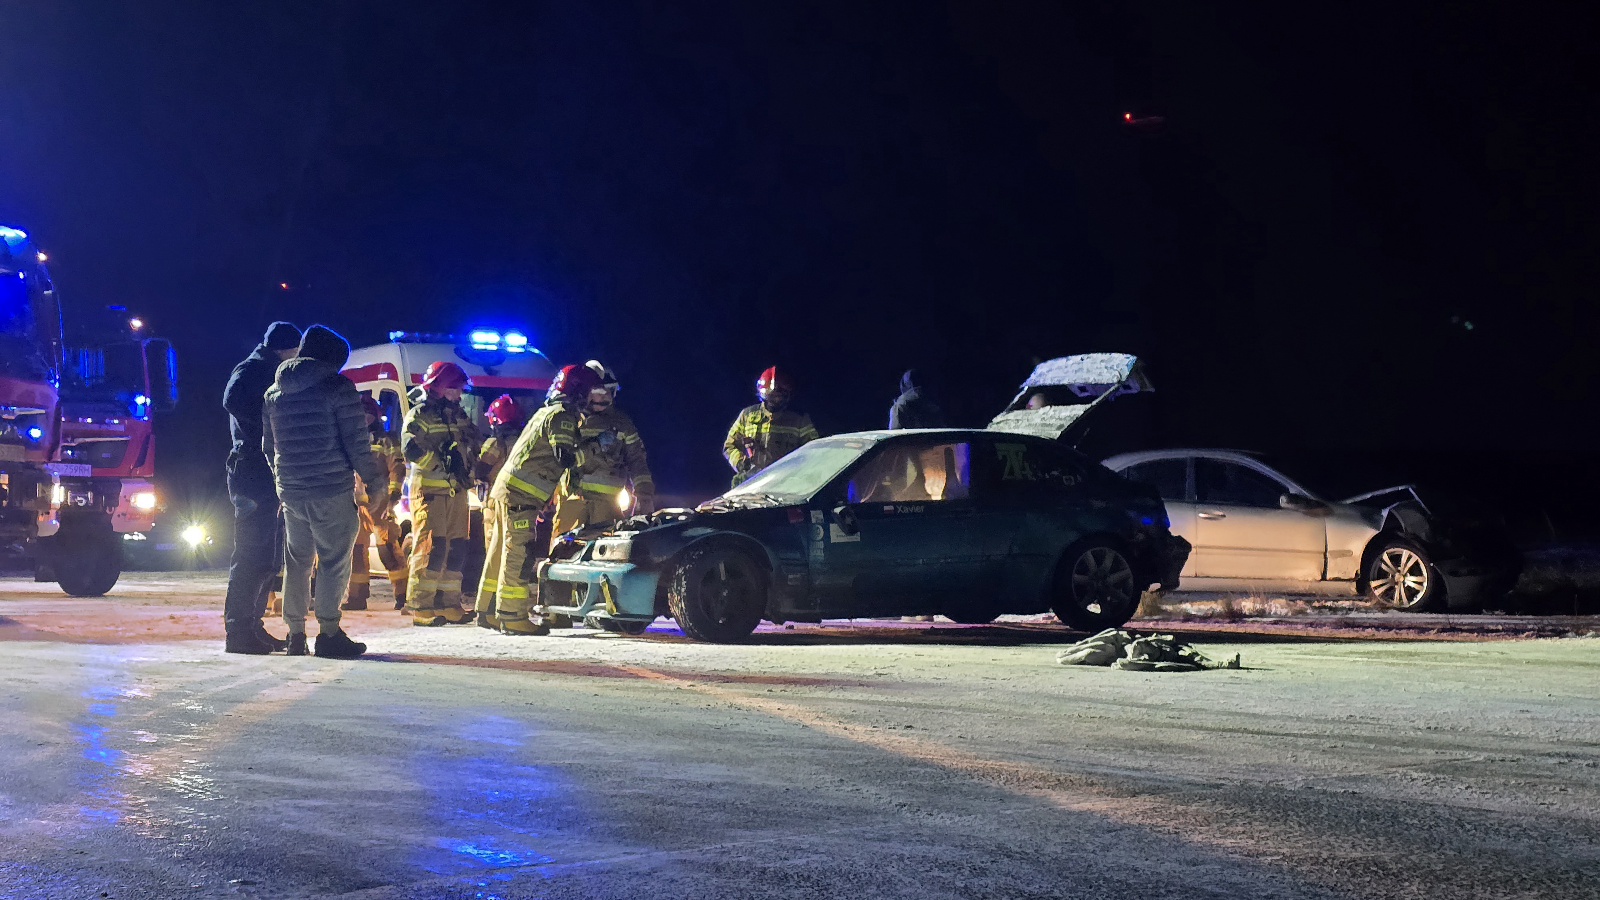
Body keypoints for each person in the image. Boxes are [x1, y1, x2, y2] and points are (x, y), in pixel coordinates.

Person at [261, 325, 387, 659]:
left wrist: (283, 482)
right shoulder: (337, 387)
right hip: (331, 488)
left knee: (297, 562)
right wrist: (375, 482)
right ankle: (329, 633)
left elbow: (269, 447)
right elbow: (357, 443)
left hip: (292, 492)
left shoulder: (274, 392)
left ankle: (295, 634)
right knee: (333, 561)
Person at [478, 364, 597, 635]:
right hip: (521, 495)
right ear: (578, 391)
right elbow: (564, 457)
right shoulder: (563, 416)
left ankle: (488, 610)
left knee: (499, 552)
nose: (591, 399)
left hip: (509, 491)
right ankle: (512, 616)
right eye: (589, 392)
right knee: (519, 553)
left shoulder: (546, 411)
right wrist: (596, 447)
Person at [220, 321, 300, 655]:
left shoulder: (264, 368)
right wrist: (269, 420)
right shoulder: (253, 369)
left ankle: (252, 626)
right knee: (251, 553)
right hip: (251, 471)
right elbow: (232, 399)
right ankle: (238, 631)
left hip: (262, 472)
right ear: (288, 349)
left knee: (266, 555)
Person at [401, 361, 482, 626]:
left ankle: (449, 604)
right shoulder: (420, 415)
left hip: (457, 490)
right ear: (437, 387)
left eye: (459, 389)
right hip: (430, 491)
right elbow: (410, 449)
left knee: (457, 547)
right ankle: (420, 606)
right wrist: (440, 462)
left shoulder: (459, 416)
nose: (458, 394)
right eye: (453, 388)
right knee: (431, 548)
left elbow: (473, 442)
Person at [550, 360, 655, 548]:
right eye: (597, 392)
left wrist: (644, 496)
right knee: (562, 552)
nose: (602, 398)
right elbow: (554, 458)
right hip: (571, 503)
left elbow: (637, 461)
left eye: (607, 392)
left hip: (607, 507)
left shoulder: (622, 424)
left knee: (605, 554)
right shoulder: (569, 419)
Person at [345, 395, 408, 611]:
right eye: (361, 415)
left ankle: (403, 595)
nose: (365, 419)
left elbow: (397, 467)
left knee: (387, 549)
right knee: (356, 551)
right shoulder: (349, 439)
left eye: (368, 414)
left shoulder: (386, 440)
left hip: (380, 501)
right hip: (357, 503)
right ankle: (357, 597)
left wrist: (394, 494)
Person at [471, 393, 525, 628]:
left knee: (494, 555)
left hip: (495, 505)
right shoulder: (523, 442)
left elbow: (480, 471)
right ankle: (497, 609)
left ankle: (488, 609)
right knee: (509, 556)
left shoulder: (495, 443)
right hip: (518, 504)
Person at [723, 366, 819, 488]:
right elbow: (730, 446)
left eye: (781, 394)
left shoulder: (799, 419)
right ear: (763, 392)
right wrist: (743, 465)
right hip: (749, 483)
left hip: (785, 485)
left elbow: (813, 450)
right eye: (773, 394)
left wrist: (796, 472)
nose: (777, 398)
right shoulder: (747, 415)